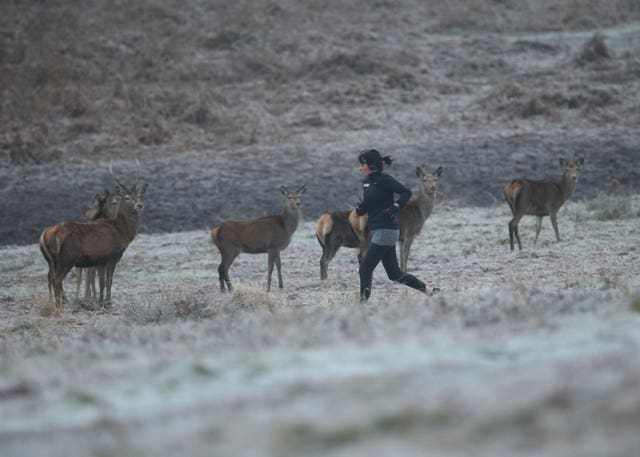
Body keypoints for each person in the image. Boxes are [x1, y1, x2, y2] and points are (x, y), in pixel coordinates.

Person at [355, 149, 440, 301]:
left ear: (371, 165)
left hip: (386, 231)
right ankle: (431, 291)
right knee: (395, 274)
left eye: (362, 164)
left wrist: (395, 206)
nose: (360, 168)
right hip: (379, 230)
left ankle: (362, 306)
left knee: (365, 270)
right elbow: (370, 203)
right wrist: (361, 209)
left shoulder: (385, 179)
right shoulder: (366, 183)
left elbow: (405, 193)